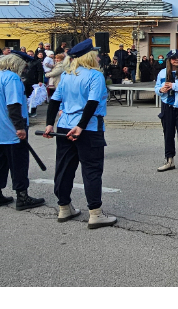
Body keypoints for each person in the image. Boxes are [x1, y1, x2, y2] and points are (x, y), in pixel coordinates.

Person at [44, 41, 116, 228]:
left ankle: (64, 207)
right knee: (92, 170)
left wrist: (49, 124)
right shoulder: (95, 76)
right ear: (89, 56)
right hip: (88, 128)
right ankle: (95, 213)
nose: (99, 57)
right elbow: (92, 103)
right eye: (96, 54)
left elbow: (54, 101)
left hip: (65, 126)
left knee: (64, 168)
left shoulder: (68, 75)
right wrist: (81, 126)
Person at [0, 51, 45, 209]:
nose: (24, 69)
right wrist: (19, 127)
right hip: (11, 128)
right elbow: (13, 104)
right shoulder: (12, 78)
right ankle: (22, 197)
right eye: (23, 66)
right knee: (19, 163)